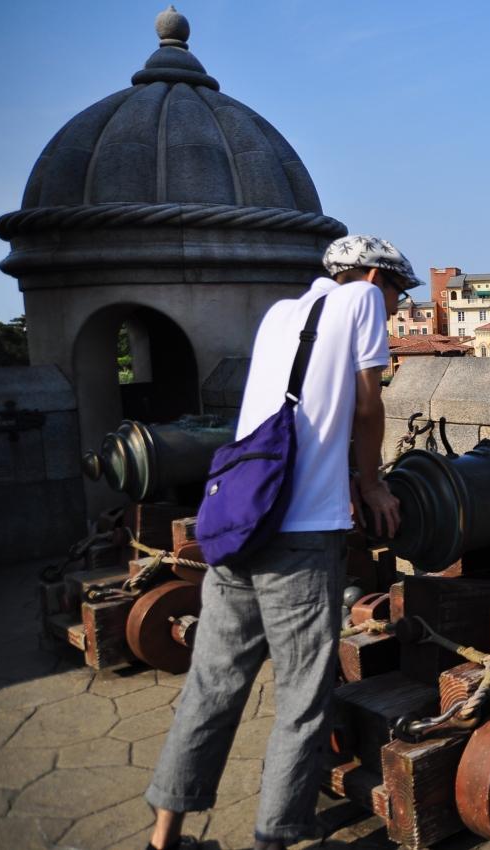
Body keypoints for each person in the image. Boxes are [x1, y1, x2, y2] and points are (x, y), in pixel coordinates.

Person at [143, 235, 413, 850]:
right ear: (373, 276)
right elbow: (369, 407)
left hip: (239, 527)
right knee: (301, 698)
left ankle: (164, 837)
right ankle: (278, 839)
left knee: (211, 687)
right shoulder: (362, 303)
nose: (396, 310)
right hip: (299, 539)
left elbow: (301, 416)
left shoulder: (280, 313)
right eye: (398, 293)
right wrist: (370, 485)